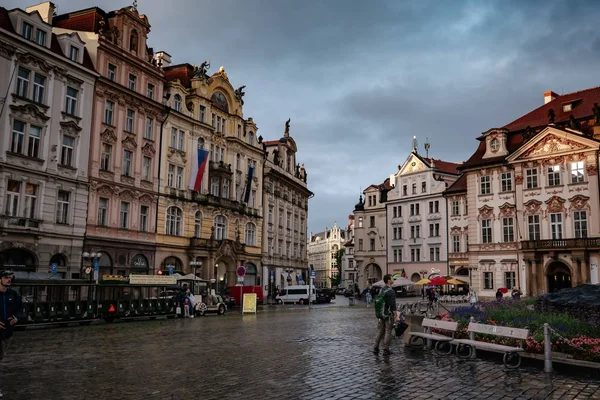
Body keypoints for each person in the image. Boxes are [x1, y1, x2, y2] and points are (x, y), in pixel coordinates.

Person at [0, 270, 22, 398]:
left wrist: (16, 318)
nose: (9, 280)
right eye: (6, 277)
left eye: (10, 278)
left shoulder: (13, 294)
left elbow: (19, 308)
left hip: (7, 333)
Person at [373, 274, 399, 356]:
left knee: (380, 330)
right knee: (388, 331)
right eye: (392, 278)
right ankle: (386, 349)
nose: (393, 279)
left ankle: (375, 347)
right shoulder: (391, 291)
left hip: (381, 313)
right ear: (388, 280)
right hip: (388, 314)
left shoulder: (382, 289)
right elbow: (393, 305)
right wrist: (396, 315)